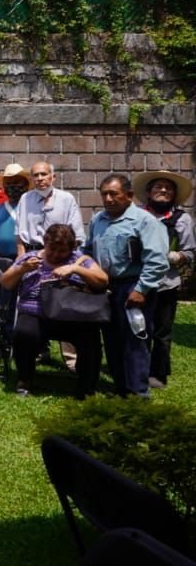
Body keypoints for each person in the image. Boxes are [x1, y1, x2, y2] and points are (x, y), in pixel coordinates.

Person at [84, 173, 170, 397]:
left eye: (114, 194)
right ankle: (120, 387)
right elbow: (87, 250)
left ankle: (137, 393)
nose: (108, 199)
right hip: (106, 287)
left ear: (129, 195)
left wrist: (141, 290)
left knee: (135, 340)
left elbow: (157, 261)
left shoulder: (145, 221)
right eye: (104, 194)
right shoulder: (98, 220)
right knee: (112, 339)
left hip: (134, 287)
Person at [0, 223, 109, 398]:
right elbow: (5, 283)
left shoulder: (80, 259)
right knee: (24, 332)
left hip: (73, 314)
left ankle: (86, 385)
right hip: (35, 312)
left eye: (62, 251)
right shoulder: (30, 258)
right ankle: (24, 378)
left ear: (71, 249)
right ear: (45, 243)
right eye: (52, 249)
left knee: (90, 338)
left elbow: (103, 281)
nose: (56, 254)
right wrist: (22, 269)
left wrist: (75, 269)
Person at [135, 169, 195, 389]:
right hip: (138, 282)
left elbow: (190, 252)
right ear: (149, 192)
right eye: (158, 187)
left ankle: (158, 373)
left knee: (162, 331)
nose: (163, 190)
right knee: (139, 328)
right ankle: (138, 369)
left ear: (174, 194)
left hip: (166, 284)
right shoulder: (136, 215)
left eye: (168, 188)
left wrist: (173, 256)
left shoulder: (182, 219)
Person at [16, 162, 85, 253]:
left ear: (53, 177)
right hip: (33, 254)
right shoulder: (25, 198)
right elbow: (19, 231)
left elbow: (77, 234)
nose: (40, 178)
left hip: (60, 254)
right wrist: (21, 254)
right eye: (36, 175)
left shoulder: (66, 199)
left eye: (43, 174)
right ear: (31, 179)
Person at [0, 164, 30, 260]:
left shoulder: (30, 206)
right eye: (8, 184)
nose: (12, 186)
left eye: (16, 182)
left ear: (25, 184)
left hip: (24, 258)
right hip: (2, 258)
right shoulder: (0, 207)